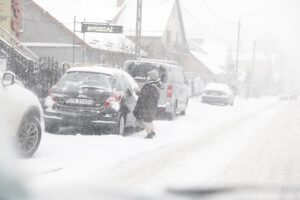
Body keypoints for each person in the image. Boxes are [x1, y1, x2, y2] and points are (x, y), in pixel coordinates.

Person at [133, 70, 161, 139]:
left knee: (145, 121)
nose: (147, 77)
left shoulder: (149, 85)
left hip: (147, 105)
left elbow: (143, 95)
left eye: (148, 76)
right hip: (152, 105)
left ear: (151, 77)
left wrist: (137, 92)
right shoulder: (155, 85)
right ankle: (152, 132)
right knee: (149, 120)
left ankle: (149, 134)